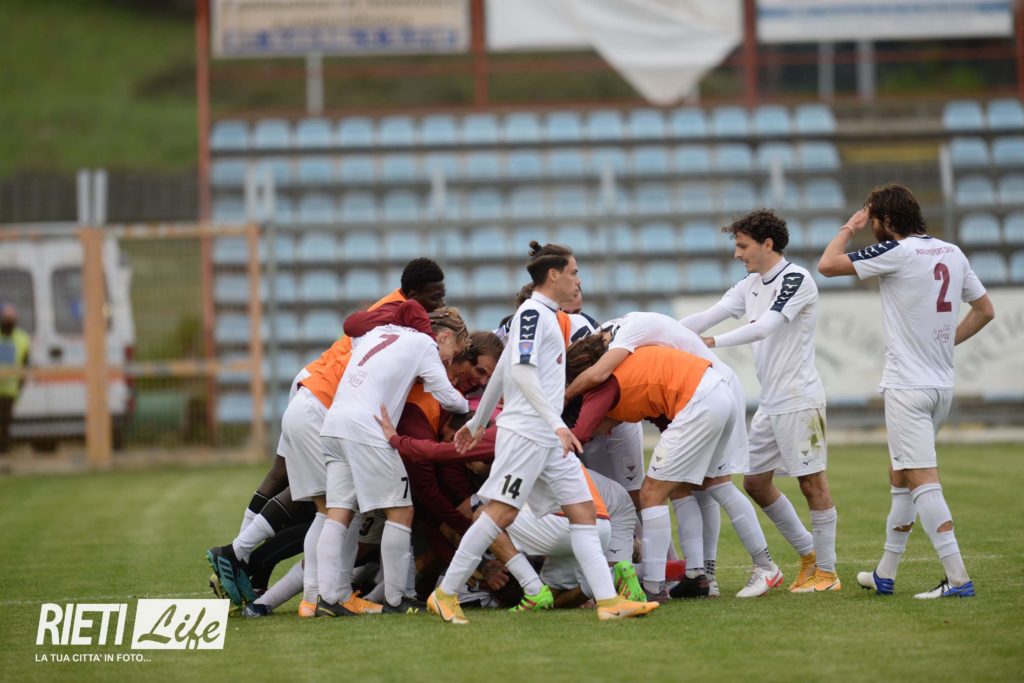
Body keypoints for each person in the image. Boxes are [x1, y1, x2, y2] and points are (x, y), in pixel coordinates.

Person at [428, 241, 658, 624]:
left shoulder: (545, 316)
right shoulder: (534, 314)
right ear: (554, 275)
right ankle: (445, 594)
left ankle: (608, 601)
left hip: (546, 438)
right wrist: (555, 423)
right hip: (529, 434)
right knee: (499, 513)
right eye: (574, 273)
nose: (578, 281)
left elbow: (504, 368)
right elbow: (519, 371)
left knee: (583, 511)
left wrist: (479, 421)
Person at [207, 258, 446, 615]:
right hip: (324, 402)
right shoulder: (401, 314)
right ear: (413, 294)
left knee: (305, 493)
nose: (439, 304)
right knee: (332, 511)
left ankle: (257, 567)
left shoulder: (397, 312)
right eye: (435, 297)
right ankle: (275, 574)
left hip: (314, 390)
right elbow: (354, 325)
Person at [818, 183, 994, 599]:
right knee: (900, 475)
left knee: (921, 479)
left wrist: (849, 227)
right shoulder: (952, 252)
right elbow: (985, 310)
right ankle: (885, 572)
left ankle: (958, 579)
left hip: (907, 387)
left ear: (886, 220)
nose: (870, 227)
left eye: (873, 221)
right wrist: (945, 344)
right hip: (941, 387)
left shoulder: (896, 251)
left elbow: (826, 265)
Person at [681, 210, 839, 593]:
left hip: (800, 399)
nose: (737, 254)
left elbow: (765, 326)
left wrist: (713, 342)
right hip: (771, 402)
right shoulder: (750, 284)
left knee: (812, 484)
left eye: (743, 246)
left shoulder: (796, 279)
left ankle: (827, 573)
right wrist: (651, 333)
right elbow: (707, 316)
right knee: (754, 482)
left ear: (768, 244)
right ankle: (809, 556)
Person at [567, 336, 781, 600]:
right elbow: (662, 411)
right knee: (701, 485)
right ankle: (699, 575)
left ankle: (654, 587)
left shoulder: (604, 385)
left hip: (699, 403)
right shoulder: (629, 366)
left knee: (650, 493)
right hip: (718, 393)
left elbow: (578, 436)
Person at [316, 308, 470, 616]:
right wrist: (472, 409)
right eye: (453, 352)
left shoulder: (378, 333)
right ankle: (397, 599)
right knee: (401, 510)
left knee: (338, 512)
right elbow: (449, 398)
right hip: (367, 428)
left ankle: (329, 598)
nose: (449, 360)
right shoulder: (425, 344)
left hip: (334, 423)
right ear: (444, 337)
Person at [0, 304, 30, 454]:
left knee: (4, 423)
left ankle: (4, 452)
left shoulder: (22, 338)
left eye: (10, 318)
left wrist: (20, 386)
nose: (8, 321)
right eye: (6, 317)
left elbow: (25, 364)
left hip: (10, 389)